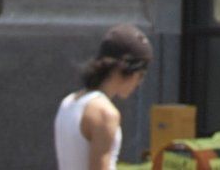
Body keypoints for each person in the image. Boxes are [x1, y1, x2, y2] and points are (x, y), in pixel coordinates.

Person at [53, 24, 151, 170]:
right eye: (141, 74)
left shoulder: (68, 102)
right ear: (127, 69)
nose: (139, 83)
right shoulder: (104, 113)